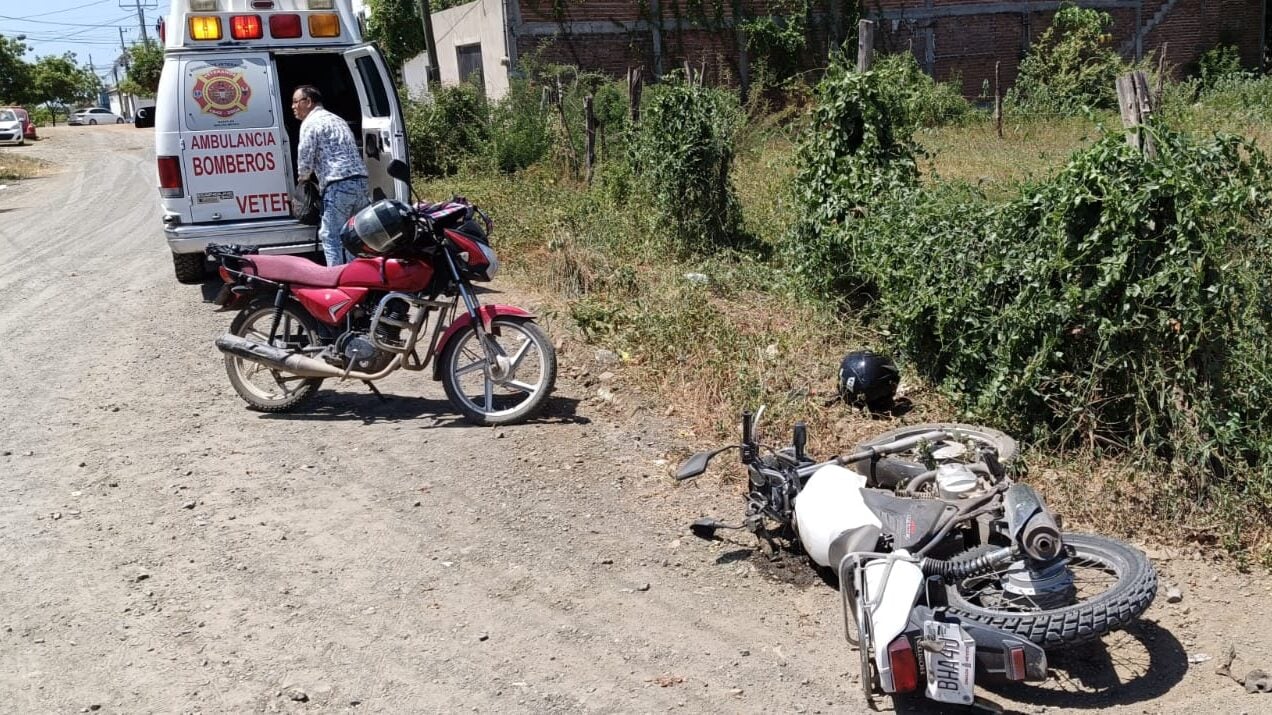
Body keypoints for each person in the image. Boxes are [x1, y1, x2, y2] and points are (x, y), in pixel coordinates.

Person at [292, 85, 368, 266]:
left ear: (308, 102)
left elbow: (305, 155)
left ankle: (338, 282)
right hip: (361, 183)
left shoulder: (310, 123)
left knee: (330, 236)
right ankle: (357, 279)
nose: (293, 107)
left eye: (296, 102)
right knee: (353, 236)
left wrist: (303, 179)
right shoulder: (337, 119)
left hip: (338, 185)